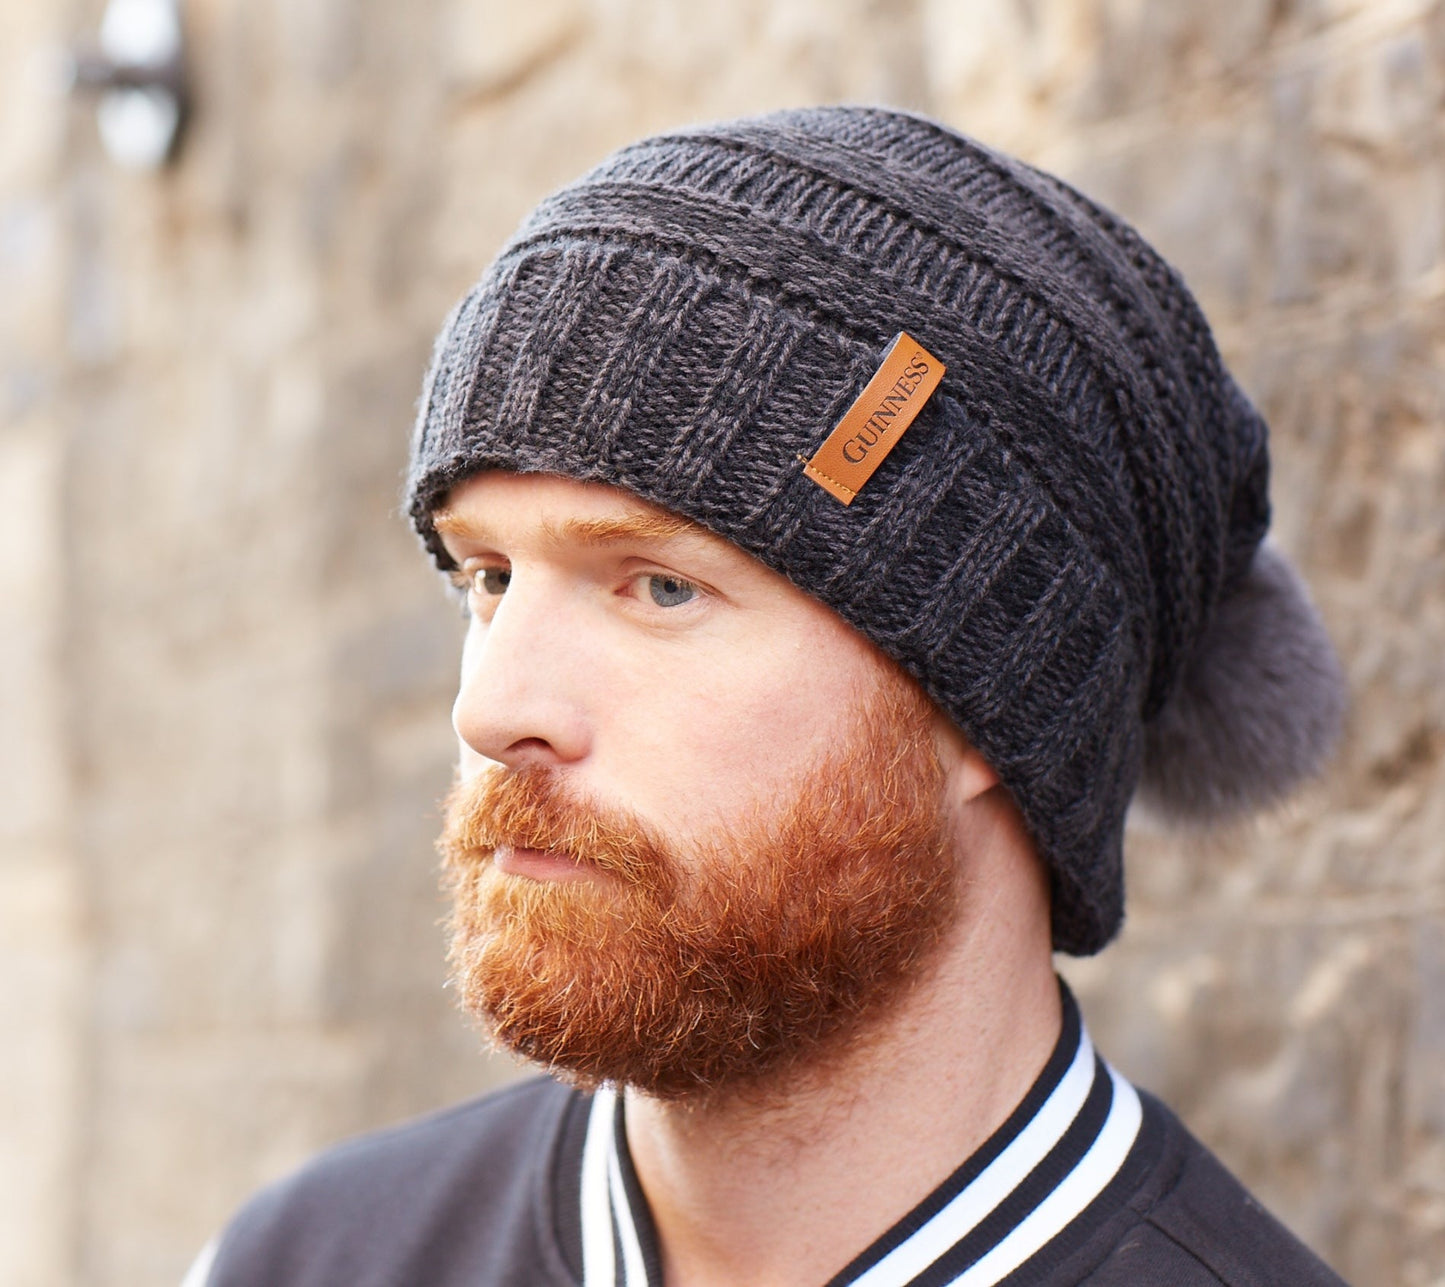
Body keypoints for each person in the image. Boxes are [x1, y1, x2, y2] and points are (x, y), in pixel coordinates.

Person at [188, 107, 1350, 1286]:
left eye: (658, 587)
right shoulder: (302, 1258)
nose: (491, 710)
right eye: (487, 576)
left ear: (992, 710)